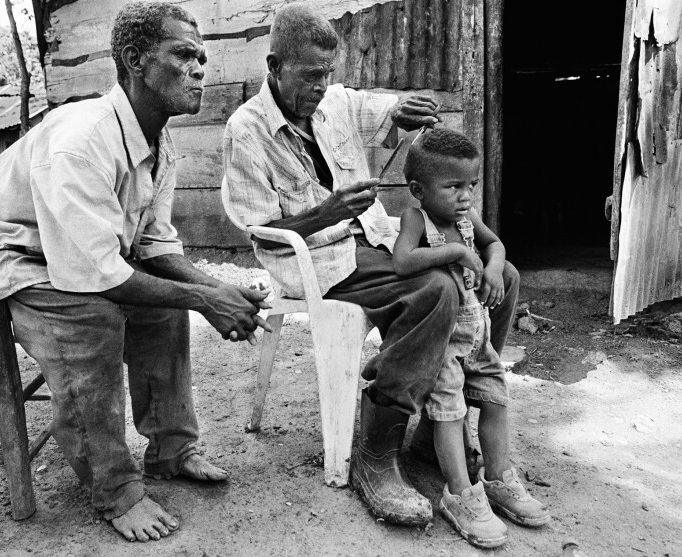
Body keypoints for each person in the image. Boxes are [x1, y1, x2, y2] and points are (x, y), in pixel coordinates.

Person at [0, 2, 271, 542]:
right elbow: (99, 278)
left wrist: (214, 288)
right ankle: (115, 489)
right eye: (184, 54)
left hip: (62, 252)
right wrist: (206, 301)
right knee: (91, 317)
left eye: (203, 56)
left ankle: (171, 448)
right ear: (136, 61)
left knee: (166, 308)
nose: (201, 68)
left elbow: (153, 245)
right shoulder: (83, 137)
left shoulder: (160, 140)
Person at [222, 2, 518, 526]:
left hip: (375, 240)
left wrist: (407, 108)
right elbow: (260, 234)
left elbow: (385, 109)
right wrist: (325, 213)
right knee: (436, 291)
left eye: (328, 73)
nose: (321, 86)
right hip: (317, 259)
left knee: (503, 276)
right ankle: (375, 454)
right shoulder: (244, 131)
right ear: (274, 67)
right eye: (310, 76)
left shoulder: (335, 102)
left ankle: (436, 424)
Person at [393, 128, 548, 547]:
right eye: (454, 186)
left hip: (477, 336)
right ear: (418, 190)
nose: (465, 196)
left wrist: (495, 266)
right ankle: (460, 492)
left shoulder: (466, 220)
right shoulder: (416, 219)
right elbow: (403, 261)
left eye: (471, 186)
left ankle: (498, 477)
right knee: (450, 411)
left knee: (496, 399)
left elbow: (495, 244)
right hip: (444, 341)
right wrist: (459, 252)